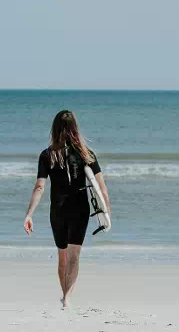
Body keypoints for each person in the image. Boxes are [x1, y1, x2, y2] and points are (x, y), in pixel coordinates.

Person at [23, 110, 110, 309]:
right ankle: (67, 298)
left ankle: (64, 297)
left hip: (58, 210)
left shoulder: (48, 155)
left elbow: (40, 186)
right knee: (74, 255)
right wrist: (107, 213)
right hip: (80, 209)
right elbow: (102, 188)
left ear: (54, 128)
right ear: (75, 128)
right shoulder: (86, 154)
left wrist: (29, 214)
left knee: (63, 255)